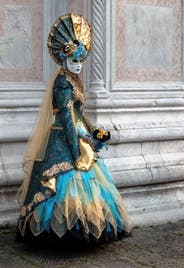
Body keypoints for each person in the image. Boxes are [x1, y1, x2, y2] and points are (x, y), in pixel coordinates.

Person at [16, 13, 131, 244]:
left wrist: (93, 131)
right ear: (63, 59)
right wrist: (76, 149)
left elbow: (78, 115)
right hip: (64, 137)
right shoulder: (63, 84)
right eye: (74, 61)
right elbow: (68, 119)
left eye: (80, 61)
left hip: (77, 134)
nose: (78, 66)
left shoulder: (72, 80)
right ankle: (64, 231)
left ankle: (81, 229)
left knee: (87, 181)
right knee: (69, 179)